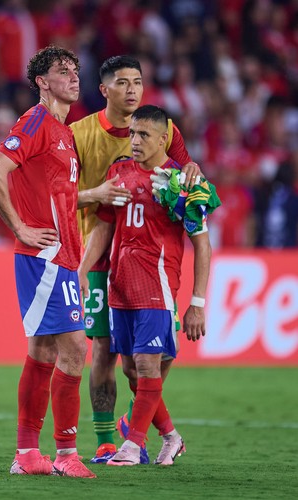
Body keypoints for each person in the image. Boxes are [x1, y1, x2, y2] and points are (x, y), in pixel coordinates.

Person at [0, 45, 129, 478]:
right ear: (42, 82)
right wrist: (20, 228)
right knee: (76, 348)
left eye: (75, 70)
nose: (74, 77)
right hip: (44, 255)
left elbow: (58, 197)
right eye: (63, 71)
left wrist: (91, 200)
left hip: (62, 257)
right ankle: (66, 453)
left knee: (43, 350)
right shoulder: (36, 121)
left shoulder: (63, 133)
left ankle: (28, 455)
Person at [69, 55, 202, 463]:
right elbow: (58, 192)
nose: (132, 90)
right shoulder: (79, 133)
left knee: (150, 360)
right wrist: (94, 196)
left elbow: (184, 172)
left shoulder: (165, 129)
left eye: (138, 82)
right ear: (104, 89)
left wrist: (193, 170)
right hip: (98, 252)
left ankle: (138, 430)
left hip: (152, 263)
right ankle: (108, 440)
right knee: (105, 351)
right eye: (123, 82)